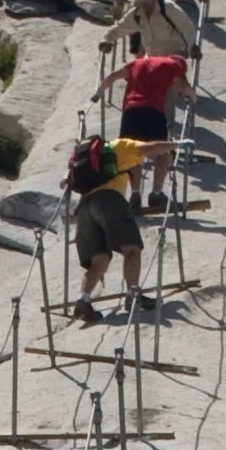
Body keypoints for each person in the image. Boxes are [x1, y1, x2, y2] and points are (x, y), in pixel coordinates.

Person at [67, 132, 148, 321]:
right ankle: (132, 296)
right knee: (132, 250)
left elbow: (65, 182)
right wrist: (175, 145)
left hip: (85, 207)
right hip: (109, 201)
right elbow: (148, 148)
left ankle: (83, 300)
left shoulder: (82, 163)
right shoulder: (117, 147)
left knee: (99, 260)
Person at [117, 43, 189, 203]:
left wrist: (100, 91)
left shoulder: (147, 65)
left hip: (131, 110)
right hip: (153, 112)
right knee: (163, 153)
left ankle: (135, 193)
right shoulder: (172, 68)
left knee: (133, 152)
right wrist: (192, 97)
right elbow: (184, 88)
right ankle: (156, 193)